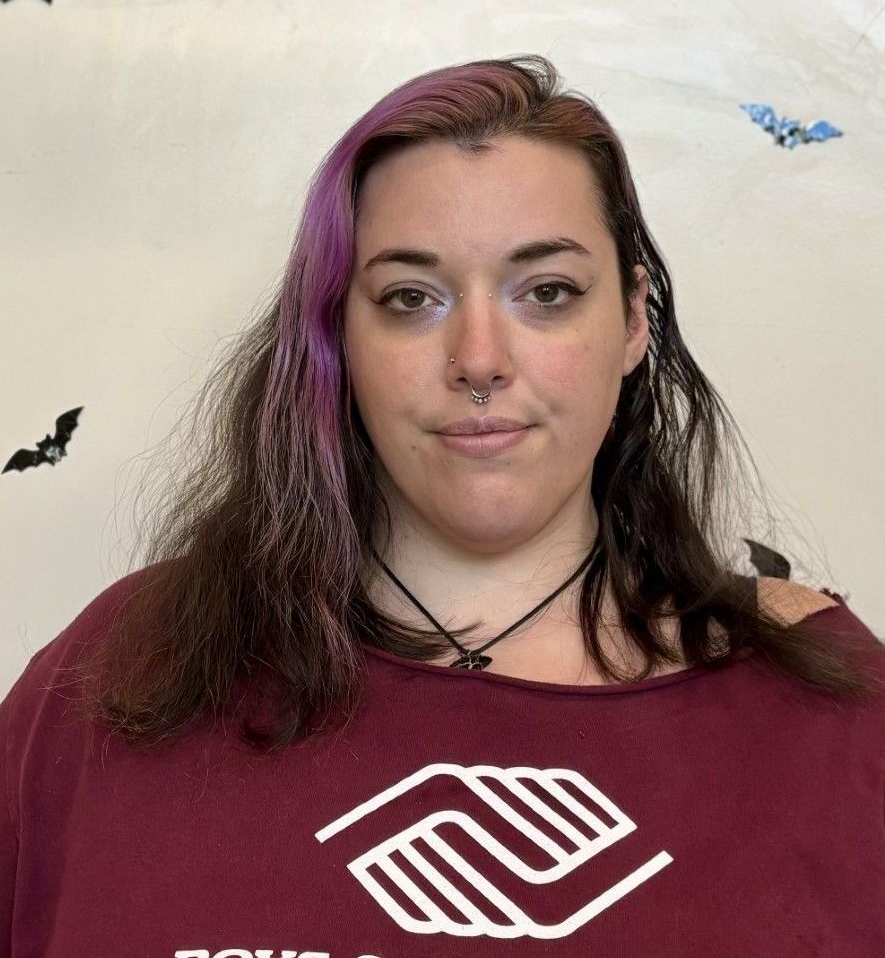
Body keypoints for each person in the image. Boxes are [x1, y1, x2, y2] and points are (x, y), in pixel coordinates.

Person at [2, 55, 883, 957]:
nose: (478, 359)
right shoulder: (119, 672)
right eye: (410, 298)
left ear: (630, 321)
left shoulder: (826, 709)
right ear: (337, 336)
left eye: (547, 292)